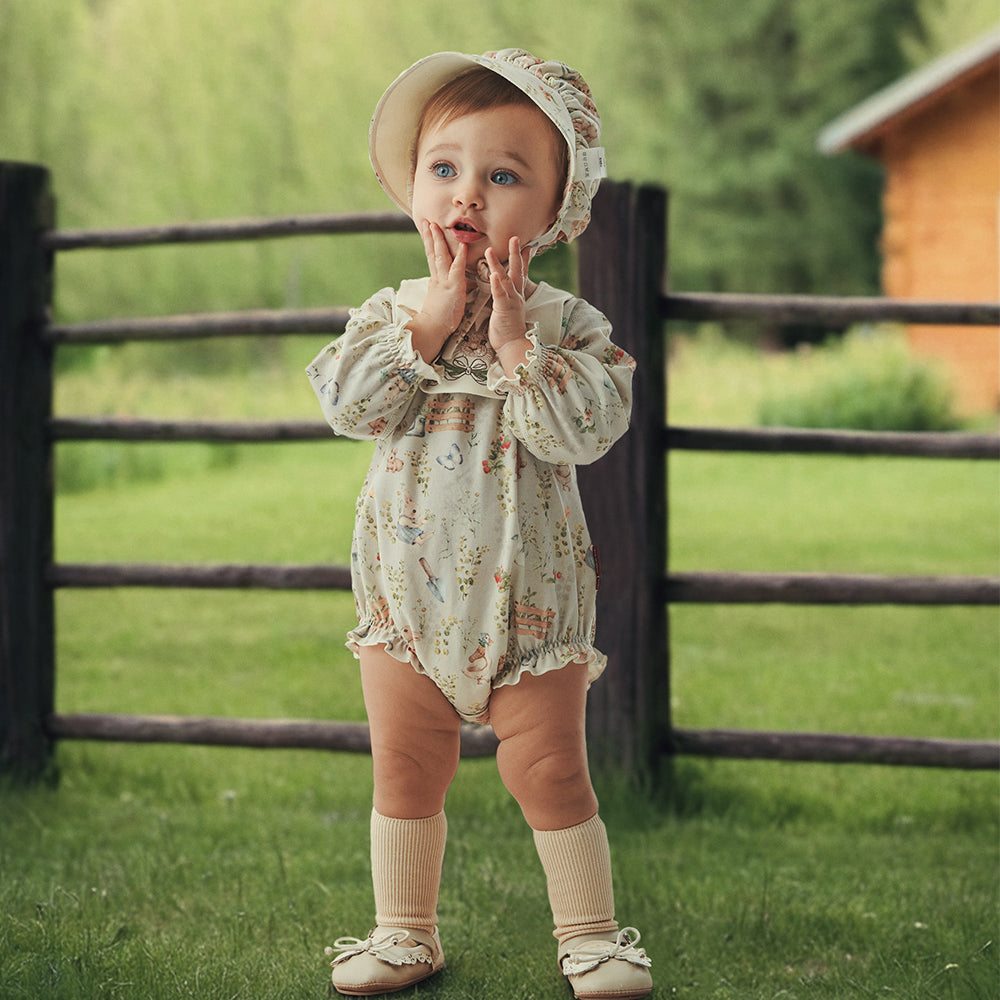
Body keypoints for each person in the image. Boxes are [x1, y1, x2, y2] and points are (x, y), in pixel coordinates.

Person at [307, 48, 653, 1000]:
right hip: (406, 592)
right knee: (407, 765)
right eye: (445, 169)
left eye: (503, 177)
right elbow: (350, 406)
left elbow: (580, 430)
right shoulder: (392, 314)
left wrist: (511, 342)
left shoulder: (570, 326)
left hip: (528, 600)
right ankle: (403, 932)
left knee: (548, 769)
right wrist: (429, 325)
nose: (467, 195)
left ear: (552, 211)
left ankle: (590, 937)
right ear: (414, 186)